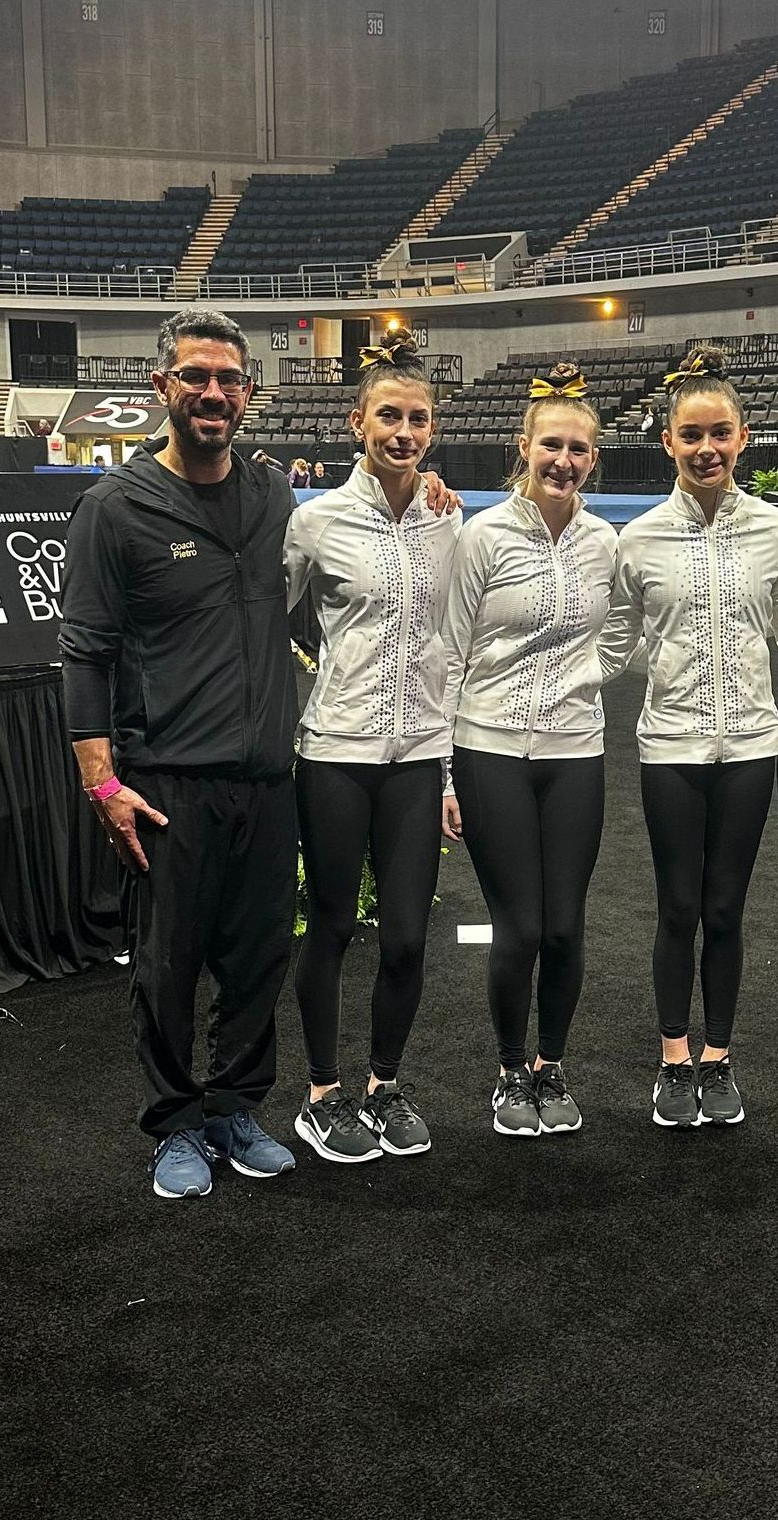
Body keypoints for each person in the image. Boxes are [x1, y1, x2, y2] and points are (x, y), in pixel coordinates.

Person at [59, 307, 301, 1201]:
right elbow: (84, 653)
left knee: (259, 956)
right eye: (194, 376)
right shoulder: (114, 508)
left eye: (228, 379)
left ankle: (236, 1105)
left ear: (247, 394)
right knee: (166, 964)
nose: (212, 392)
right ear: (161, 388)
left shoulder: (273, 493)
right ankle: (172, 1122)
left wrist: (425, 493)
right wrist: (102, 782)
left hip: (268, 782)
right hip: (166, 785)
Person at [597, 346, 778, 1129]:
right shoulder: (638, 539)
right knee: (676, 906)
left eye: (720, 433)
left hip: (752, 744)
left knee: (727, 909)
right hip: (671, 748)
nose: (706, 447)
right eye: (691, 435)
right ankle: (673, 1057)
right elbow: (615, 643)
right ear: (668, 444)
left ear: (742, 437)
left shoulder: (774, 532)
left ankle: (719, 1058)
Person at [284, 334, 461, 1164]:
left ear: (432, 429)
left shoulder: (446, 522)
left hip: (417, 756)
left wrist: (451, 764)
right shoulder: (314, 523)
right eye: (388, 415)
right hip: (335, 751)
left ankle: (384, 1084)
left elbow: (454, 644)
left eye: (417, 418)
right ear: (357, 422)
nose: (403, 431)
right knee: (329, 925)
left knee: (406, 938)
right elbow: (272, 624)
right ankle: (322, 1092)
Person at [440, 362, 618, 1136]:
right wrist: (445, 770)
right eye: (552, 444)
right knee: (517, 924)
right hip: (489, 748)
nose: (564, 460)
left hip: (576, 750)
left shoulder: (604, 542)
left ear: (593, 459)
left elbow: (618, 634)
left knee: (565, 926)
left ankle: (551, 1066)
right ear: (524, 447)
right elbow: (445, 653)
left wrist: (586, 675)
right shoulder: (481, 536)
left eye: (579, 449)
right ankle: (510, 1070)